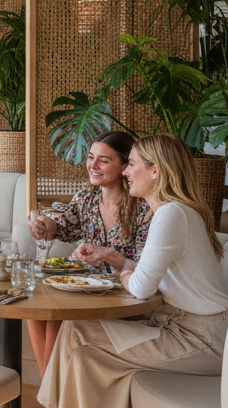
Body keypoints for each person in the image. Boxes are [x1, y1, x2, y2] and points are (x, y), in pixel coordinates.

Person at [22, 134, 228, 408]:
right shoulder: (171, 212)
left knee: (89, 357)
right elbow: (146, 272)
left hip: (204, 338)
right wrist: (115, 259)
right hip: (176, 324)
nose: (126, 173)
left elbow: (140, 286)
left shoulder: (170, 215)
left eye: (132, 164)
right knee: (75, 328)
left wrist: (123, 270)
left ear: (156, 171)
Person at [23, 131, 152, 384]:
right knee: (36, 311)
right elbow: (60, 226)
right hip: (85, 289)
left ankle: (51, 403)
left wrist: (109, 256)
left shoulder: (142, 207)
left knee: (57, 317)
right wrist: (43, 224)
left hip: (122, 295)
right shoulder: (86, 199)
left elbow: (144, 268)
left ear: (125, 166)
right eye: (91, 157)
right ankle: (50, 395)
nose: (92, 166)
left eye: (103, 160)